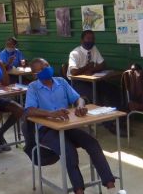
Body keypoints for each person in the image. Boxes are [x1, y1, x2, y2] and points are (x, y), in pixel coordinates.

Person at [26, 58, 119, 194]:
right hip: (46, 130)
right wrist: (50, 114)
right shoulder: (33, 87)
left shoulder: (61, 82)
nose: (47, 69)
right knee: (68, 151)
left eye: (47, 65)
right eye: (42, 68)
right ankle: (79, 190)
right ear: (35, 74)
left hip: (67, 125)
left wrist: (80, 106)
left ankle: (111, 186)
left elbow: (77, 98)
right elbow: (30, 110)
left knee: (92, 143)